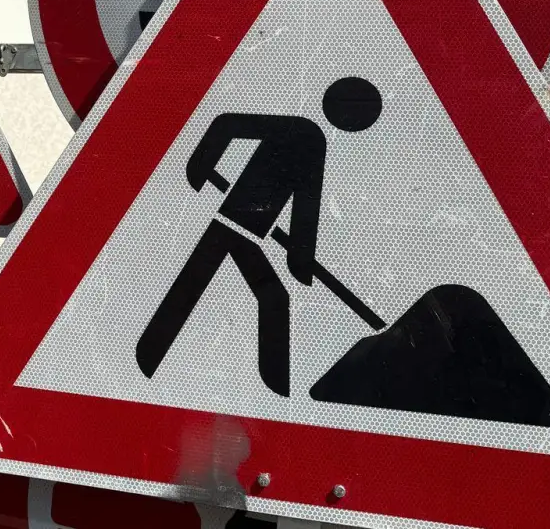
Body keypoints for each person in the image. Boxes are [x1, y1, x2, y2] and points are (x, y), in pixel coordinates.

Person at [135, 76, 381, 396]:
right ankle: (148, 356)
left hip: (250, 234)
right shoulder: (302, 131)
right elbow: (227, 125)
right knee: (206, 284)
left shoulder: (313, 140)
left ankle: (275, 388)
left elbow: (306, 209)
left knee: (265, 295)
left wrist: (300, 259)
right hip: (229, 222)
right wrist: (199, 167)